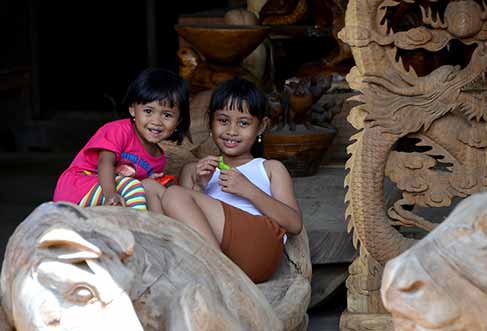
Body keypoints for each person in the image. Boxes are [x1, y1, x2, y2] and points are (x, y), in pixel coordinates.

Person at [159, 77, 303, 283]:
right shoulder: (195, 170)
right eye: (223, 120)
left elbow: (294, 224)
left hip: (259, 247)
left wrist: (249, 190)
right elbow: (187, 225)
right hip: (220, 252)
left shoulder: (270, 168)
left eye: (243, 123)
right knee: (155, 191)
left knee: (173, 194)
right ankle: (216, 271)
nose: (231, 131)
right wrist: (199, 185)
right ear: (211, 122)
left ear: (261, 127)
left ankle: (219, 273)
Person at [53, 68, 190, 211]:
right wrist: (110, 194)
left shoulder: (158, 158)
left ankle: (158, 228)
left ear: (178, 121)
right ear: (132, 110)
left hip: (110, 191)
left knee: (146, 190)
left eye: (167, 115)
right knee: (134, 188)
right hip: (78, 187)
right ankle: (139, 231)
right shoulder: (119, 131)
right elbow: (105, 162)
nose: (156, 121)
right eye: (148, 111)